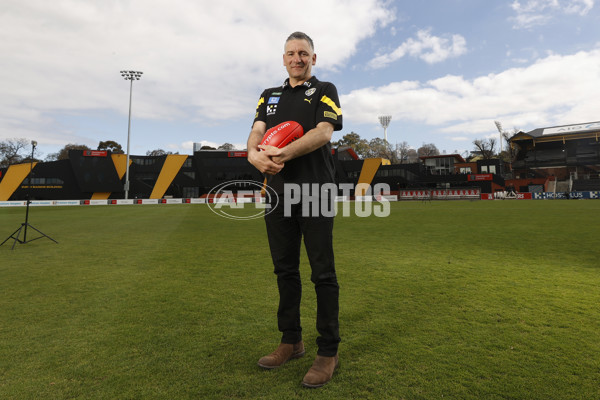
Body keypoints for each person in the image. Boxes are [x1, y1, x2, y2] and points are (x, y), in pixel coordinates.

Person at [246, 31, 343, 388]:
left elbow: (323, 132)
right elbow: (256, 131)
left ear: (313, 59)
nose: (297, 58)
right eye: (291, 53)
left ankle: (327, 351)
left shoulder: (324, 90)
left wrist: (282, 155)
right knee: (285, 270)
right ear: (283, 58)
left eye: (303, 53)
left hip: (315, 192)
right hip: (277, 194)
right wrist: (254, 155)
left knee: (322, 273)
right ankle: (291, 341)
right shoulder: (268, 96)